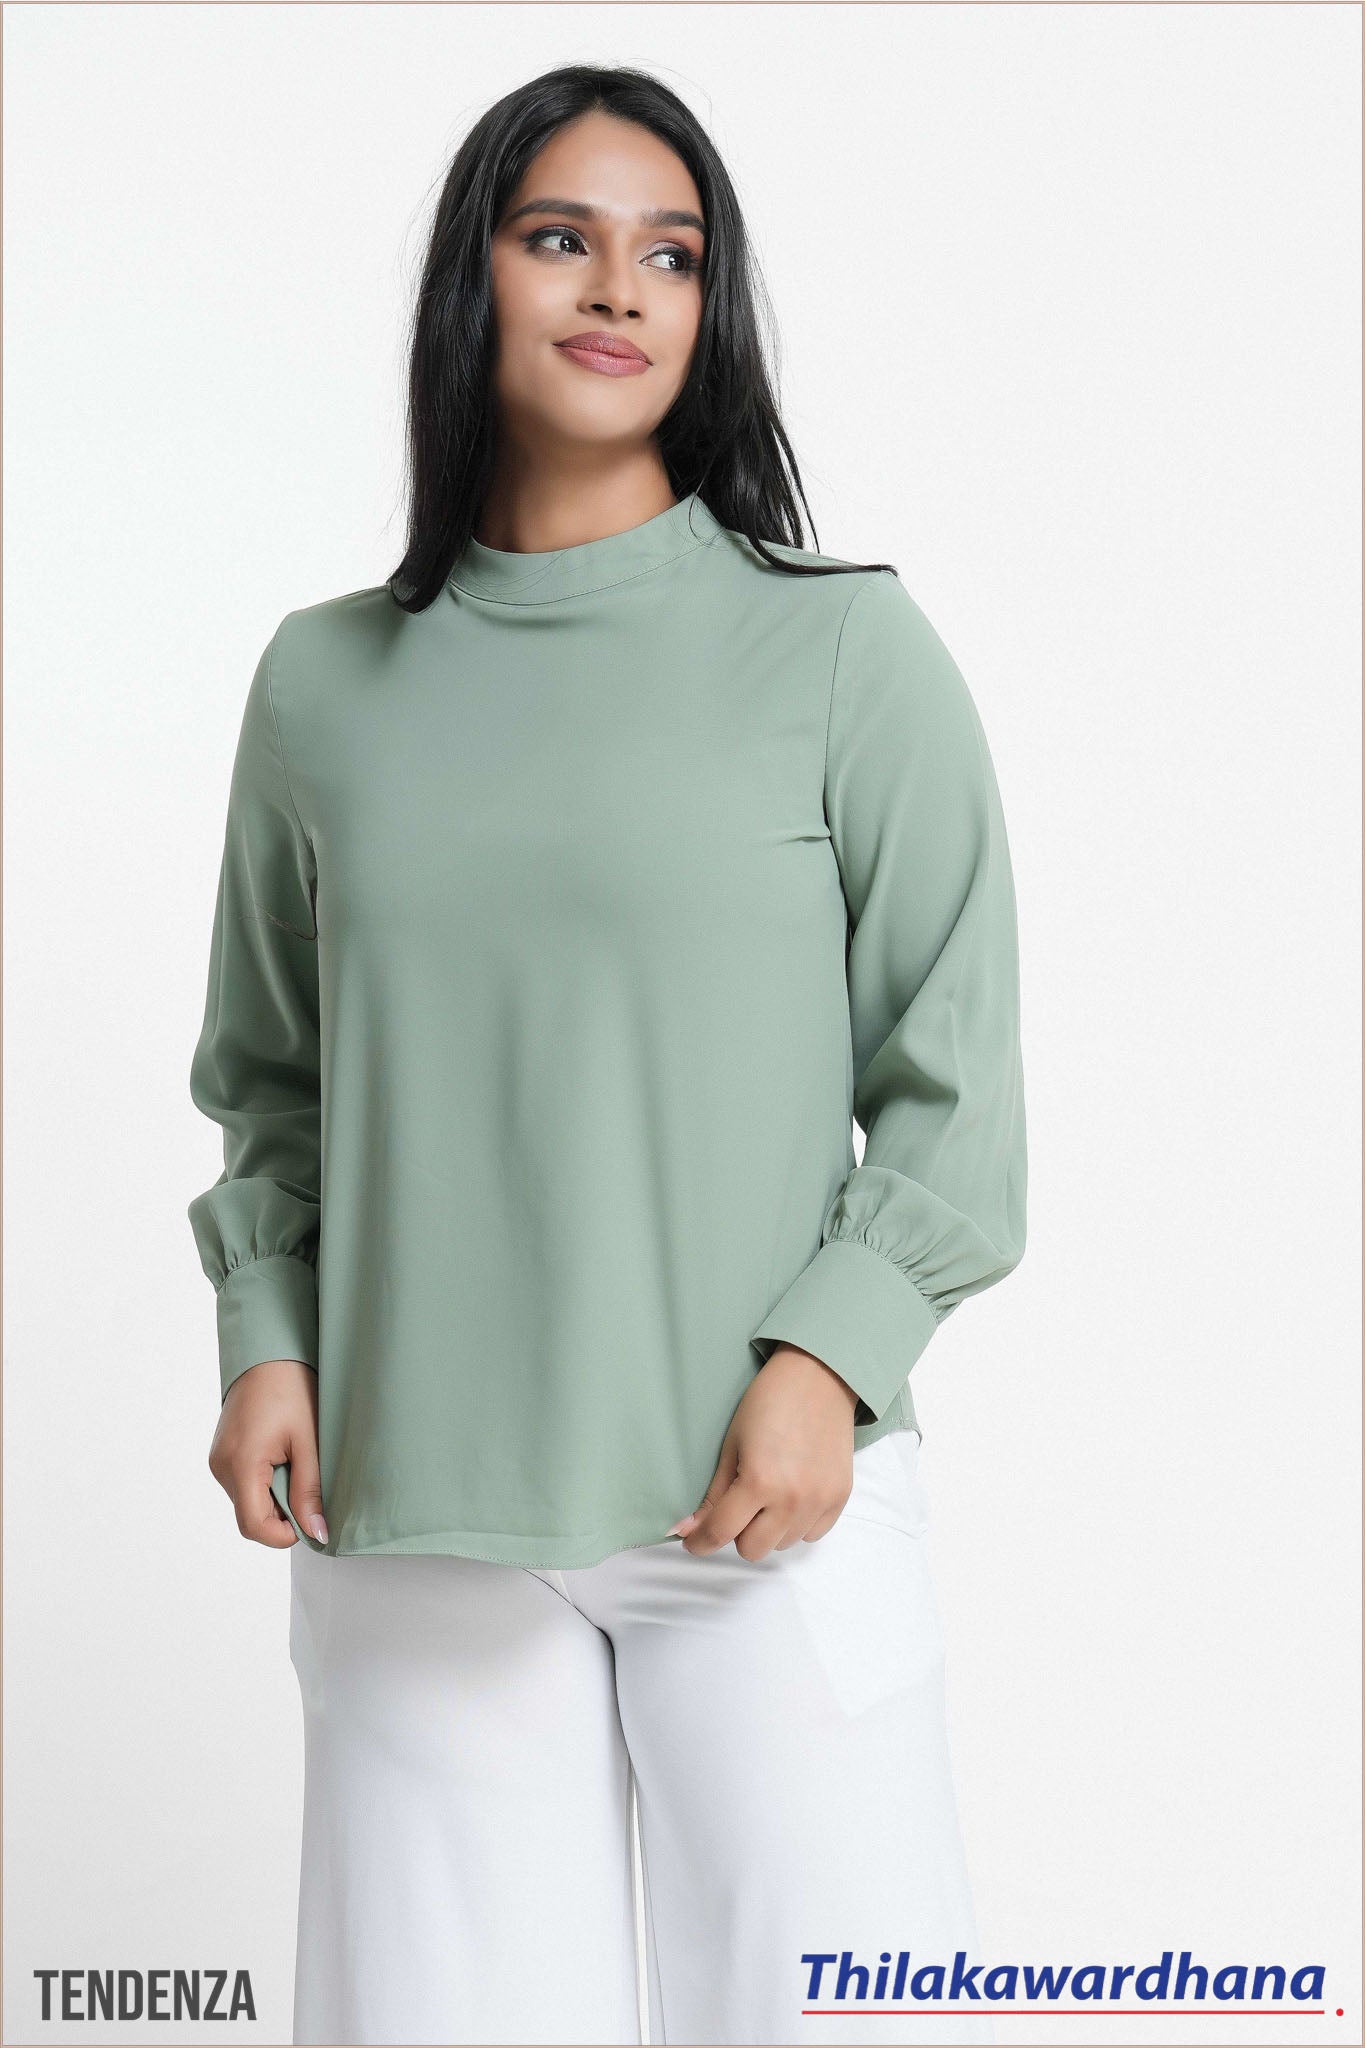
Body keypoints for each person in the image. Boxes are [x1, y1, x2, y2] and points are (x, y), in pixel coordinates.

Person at [187, 62, 1027, 2048]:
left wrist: (826, 1362)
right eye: (558, 236)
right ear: (471, 278)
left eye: (672, 254)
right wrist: (265, 1336)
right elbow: (274, 1082)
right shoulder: (324, 684)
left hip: (760, 1503)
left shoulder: (844, 654)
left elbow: (953, 1080)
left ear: (707, 311)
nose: (616, 288)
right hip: (409, 1502)